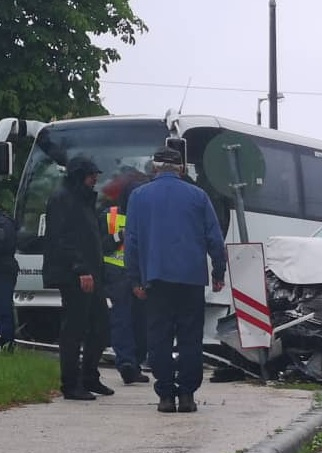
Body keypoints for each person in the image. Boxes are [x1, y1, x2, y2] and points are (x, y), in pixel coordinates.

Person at [124, 147, 226, 414]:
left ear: (155, 167)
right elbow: (214, 239)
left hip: (156, 279)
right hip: (191, 279)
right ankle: (187, 395)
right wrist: (218, 272)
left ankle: (166, 395)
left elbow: (131, 242)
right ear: (181, 168)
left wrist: (134, 278)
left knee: (159, 338)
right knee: (190, 338)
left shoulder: (138, 197)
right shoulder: (198, 196)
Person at [41, 156, 114, 400]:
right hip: (74, 275)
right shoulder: (63, 199)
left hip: (91, 273)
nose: (96, 179)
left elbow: (88, 239)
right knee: (74, 329)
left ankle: (89, 377)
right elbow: (62, 240)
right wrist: (81, 268)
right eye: (92, 175)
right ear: (79, 175)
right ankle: (70, 384)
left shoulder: (83, 200)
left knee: (101, 328)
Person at [101, 166, 151, 384]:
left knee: (142, 321)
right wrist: (120, 235)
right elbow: (100, 246)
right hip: (117, 275)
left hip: (142, 275)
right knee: (122, 320)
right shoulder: (109, 216)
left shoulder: (150, 219)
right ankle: (127, 363)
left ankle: (136, 361)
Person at [0, 207, 18, 352]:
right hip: (6, 268)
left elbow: (4, 244)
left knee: (4, 307)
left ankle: (7, 343)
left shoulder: (4, 223)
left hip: (4, 270)